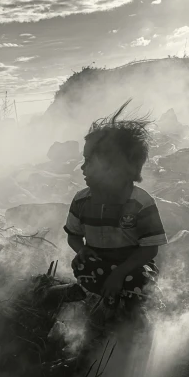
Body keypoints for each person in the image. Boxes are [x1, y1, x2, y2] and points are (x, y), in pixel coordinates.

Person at [63, 100, 168, 323]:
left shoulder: (140, 202)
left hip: (133, 268)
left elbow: (150, 249)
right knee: (82, 265)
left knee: (141, 281)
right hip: (98, 265)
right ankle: (100, 301)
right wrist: (80, 250)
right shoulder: (81, 201)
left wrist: (119, 273)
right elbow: (73, 235)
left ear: (113, 166)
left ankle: (132, 316)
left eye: (89, 161)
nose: (82, 167)